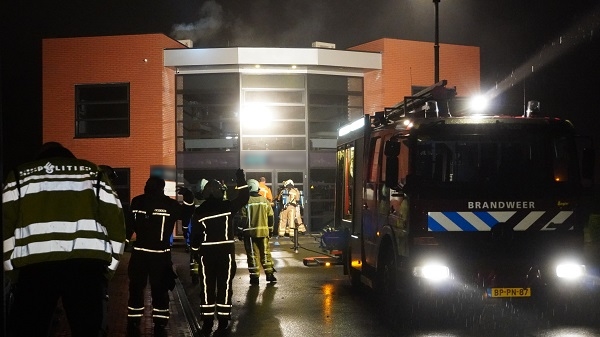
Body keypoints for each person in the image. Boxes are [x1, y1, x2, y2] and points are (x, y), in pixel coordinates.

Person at [2, 141, 126, 337]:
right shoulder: (93, 173)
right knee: (89, 330)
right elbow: (116, 226)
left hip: (34, 271)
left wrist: (12, 271)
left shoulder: (18, 176)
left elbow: (5, 230)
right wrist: (107, 271)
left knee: (27, 329)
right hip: (86, 269)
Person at [126, 176, 195, 334]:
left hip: (139, 255)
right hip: (160, 256)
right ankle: (160, 323)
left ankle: (134, 321)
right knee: (160, 290)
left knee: (136, 288)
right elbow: (187, 213)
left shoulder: (137, 201)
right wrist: (188, 197)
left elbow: (129, 225)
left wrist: (122, 243)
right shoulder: (169, 204)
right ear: (162, 188)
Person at [190, 169, 249, 334]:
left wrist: (195, 253)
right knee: (224, 286)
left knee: (207, 288)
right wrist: (240, 178)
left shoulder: (199, 211)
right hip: (225, 255)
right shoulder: (226, 207)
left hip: (206, 256)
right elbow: (244, 198)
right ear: (219, 193)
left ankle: (207, 322)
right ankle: (223, 321)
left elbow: (195, 237)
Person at [239, 179, 277, 285]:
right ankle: (269, 274)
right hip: (264, 233)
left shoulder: (246, 201)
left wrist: (239, 231)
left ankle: (254, 277)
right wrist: (270, 230)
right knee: (265, 253)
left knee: (252, 255)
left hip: (250, 234)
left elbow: (243, 218)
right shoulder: (265, 201)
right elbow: (271, 216)